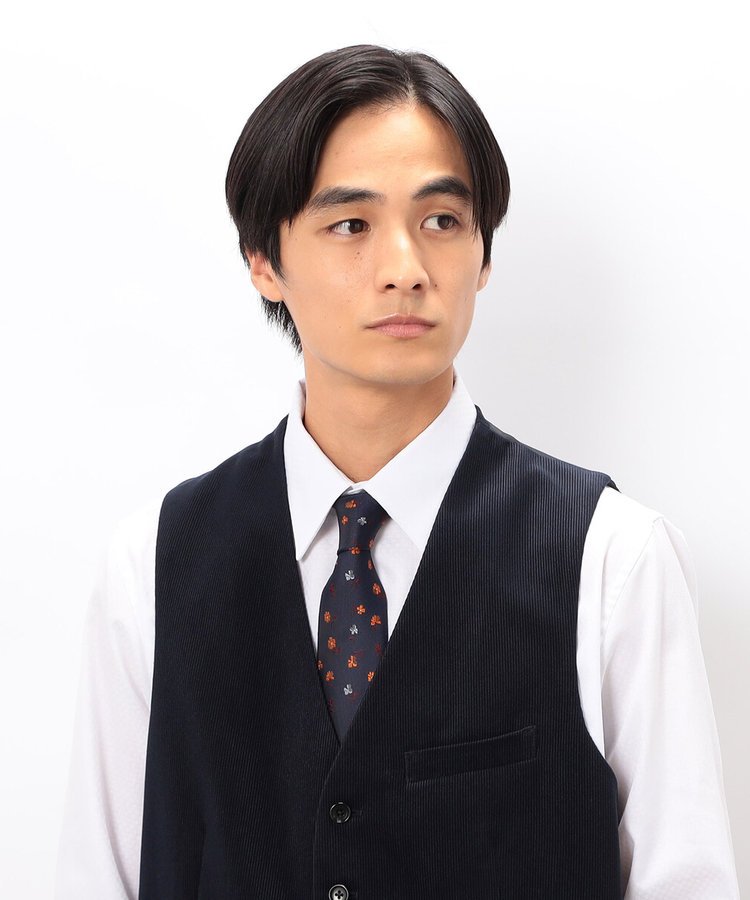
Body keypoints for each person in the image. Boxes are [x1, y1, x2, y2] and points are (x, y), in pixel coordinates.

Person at [56, 45, 739, 898]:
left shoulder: (615, 561)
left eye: (442, 221)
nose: (406, 270)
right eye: (351, 225)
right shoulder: (153, 567)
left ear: (483, 255)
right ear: (264, 260)